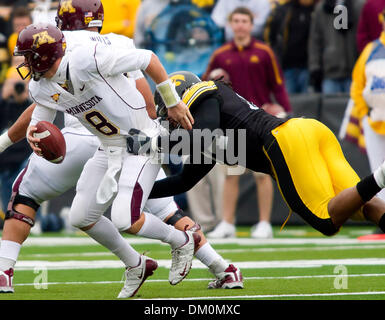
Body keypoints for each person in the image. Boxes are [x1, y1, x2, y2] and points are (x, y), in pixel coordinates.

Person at [2, 18, 200, 298]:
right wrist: (36, 138)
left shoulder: (86, 59)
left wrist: (172, 102)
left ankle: (182, 240)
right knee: (81, 216)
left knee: (124, 218)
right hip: (108, 146)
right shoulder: (41, 87)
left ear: (44, 56)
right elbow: (40, 123)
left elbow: (148, 58)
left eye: (28, 57)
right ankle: (136, 264)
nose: (24, 64)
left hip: (142, 138)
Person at [126, 70, 385, 242]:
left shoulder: (203, 97)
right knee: (363, 206)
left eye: (168, 113)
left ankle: (380, 176)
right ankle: (378, 179)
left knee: (325, 220)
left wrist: (152, 143)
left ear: (180, 98)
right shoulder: (205, 127)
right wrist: (138, 190)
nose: (169, 121)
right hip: (308, 131)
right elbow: (184, 181)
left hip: (285, 141)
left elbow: (201, 135)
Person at [203, 7, 292, 239]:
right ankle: (227, 222)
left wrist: (284, 110)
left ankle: (264, 223)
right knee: (232, 173)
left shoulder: (264, 52)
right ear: (230, 24)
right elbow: (205, 85)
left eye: (244, 20)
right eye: (236, 20)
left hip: (261, 120)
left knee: (262, 174)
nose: (240, 24)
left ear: (252, 25)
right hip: (232, 122)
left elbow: (278, 85)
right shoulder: (221, 54)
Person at [349, 7, 385, 202]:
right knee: (377, 174)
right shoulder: (371, 49)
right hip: (374, 121)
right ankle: (382, 217)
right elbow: (357, 84)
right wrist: (364, 112)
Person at [308, 0, 365, 94]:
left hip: (354, 71)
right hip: (330, 71)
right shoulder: (322, 8)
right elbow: (315, 41)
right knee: (330, 107)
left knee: (353, 107)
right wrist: (315, 67)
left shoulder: (358, 6)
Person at [264, 0, 315, 94]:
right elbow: (270, 35)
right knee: (289, 103)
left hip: (309, 66)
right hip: (287, 65)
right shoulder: (284, 9)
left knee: (308, 104)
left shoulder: (317, 10)